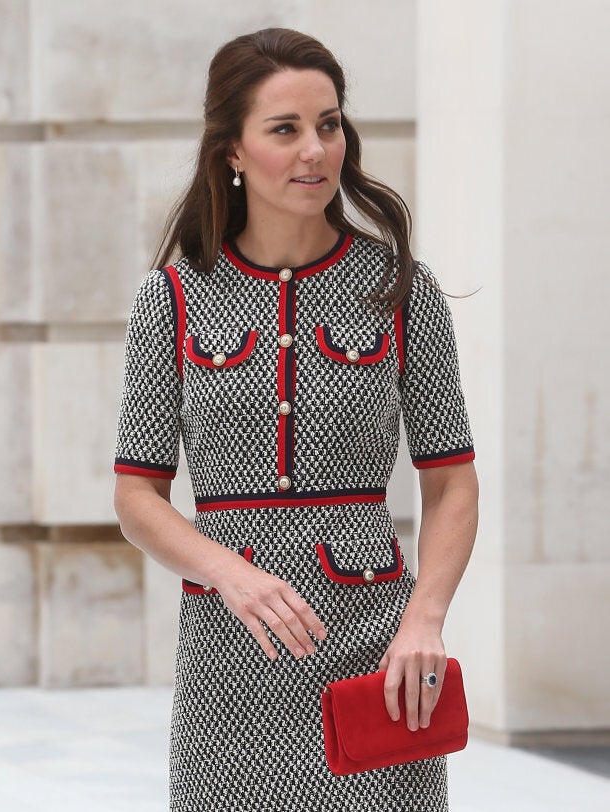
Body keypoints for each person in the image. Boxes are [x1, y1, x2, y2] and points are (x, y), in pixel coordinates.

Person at [113, 27, 478, 812]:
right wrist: (228, 572)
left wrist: (426, 621)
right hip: (230, 658)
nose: (315, 149)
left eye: (329, 123)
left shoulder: (403, 290)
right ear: (233, 152)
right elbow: (136, 496)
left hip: (375, 648)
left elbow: (450, 482)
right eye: (285, 130)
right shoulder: (170, 299)